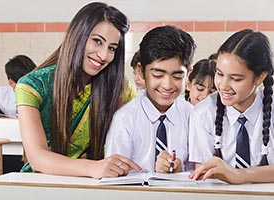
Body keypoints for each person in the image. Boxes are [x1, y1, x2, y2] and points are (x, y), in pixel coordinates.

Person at [15, 2, 141, 179]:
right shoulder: (33, 85)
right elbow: (37, 157)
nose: (104, 56)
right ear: (77, 35)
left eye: (112, 48)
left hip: (99, 185)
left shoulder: (121, 89)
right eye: (97, 41)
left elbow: (138, 139)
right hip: (42, 182)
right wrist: (92, 168)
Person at [105, 25, 196, 173]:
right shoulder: (125, 119)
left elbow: (200, 175)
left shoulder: (193, 117)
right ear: (141, 71)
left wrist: (179, 174)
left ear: (188, 74)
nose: (167, 85)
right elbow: (114, 176)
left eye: (177, 76)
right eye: (158, 75)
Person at [189, 29, 274, 184]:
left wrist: (240, 175)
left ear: (260, 76)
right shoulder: (203, 113)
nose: (223, 86)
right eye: (219, 74)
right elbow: (204, 174)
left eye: (235, 79)